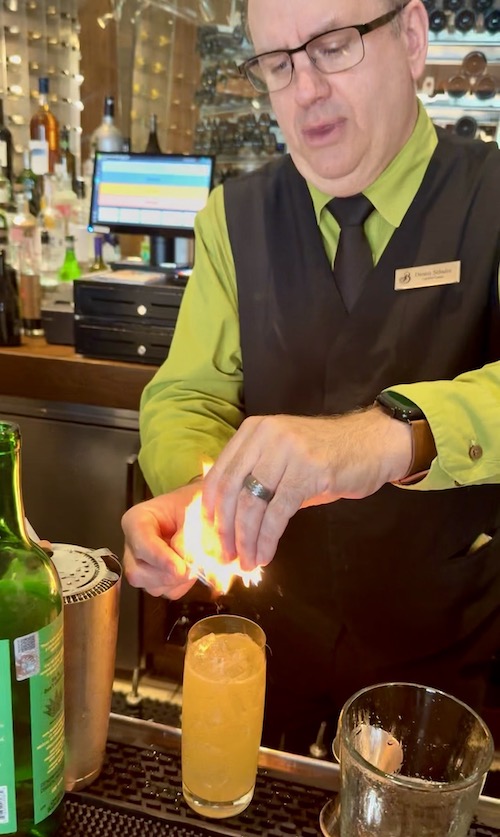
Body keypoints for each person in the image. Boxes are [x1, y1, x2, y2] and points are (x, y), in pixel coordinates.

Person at [122, 0, 500, 755]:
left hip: (450, 654)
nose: (305, 90)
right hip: (272, 645)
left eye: (332, 46)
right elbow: (187, 394)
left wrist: (388, 437)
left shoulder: (491, 197)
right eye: (278, 63)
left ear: (414, 38)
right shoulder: (235, 219)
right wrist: (203, 496)